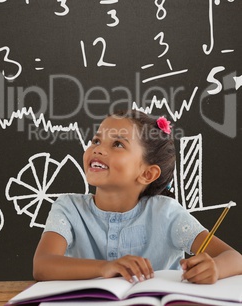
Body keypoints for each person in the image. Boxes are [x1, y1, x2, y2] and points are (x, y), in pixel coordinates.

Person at [33, 110, 242, 284]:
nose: (98, 149)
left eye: (117, 144)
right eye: (96, 140)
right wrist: (105, 268)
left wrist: (215, 268)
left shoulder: (167, 213)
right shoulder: (68, 208)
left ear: (147, 174)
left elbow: (236, 259)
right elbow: (42, 266)